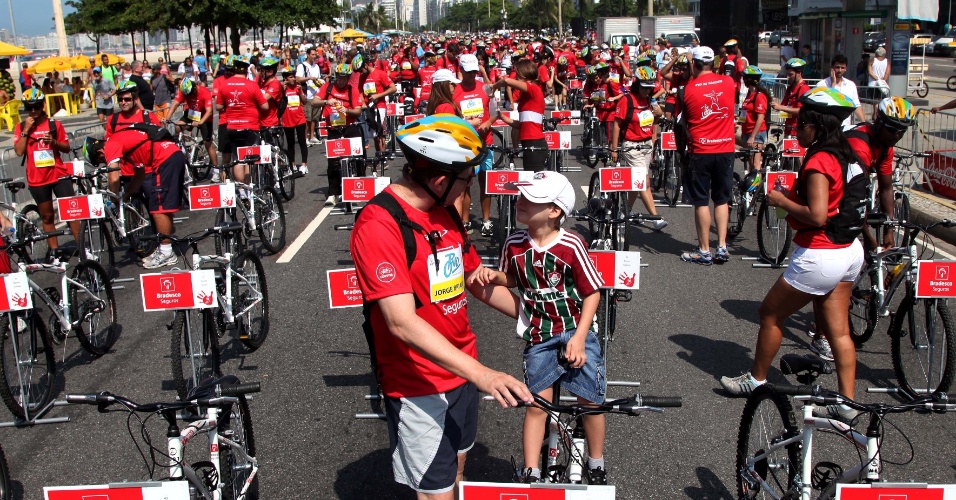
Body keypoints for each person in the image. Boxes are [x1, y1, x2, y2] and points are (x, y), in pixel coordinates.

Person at [349, 114, 532, 499]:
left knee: (458, 468)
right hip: (419, 384)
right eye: (468, 180)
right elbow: (400, 323)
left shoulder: (445, 210)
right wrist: (484, 375)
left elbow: (474, 280)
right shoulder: (379, 224)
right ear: (438, 179)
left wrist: (541, 317)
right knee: (437, 491)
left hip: (460, 368)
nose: (471, 188)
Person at [719, 88, 865, 424]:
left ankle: (755, 381)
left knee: (769, 313)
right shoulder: (849, 152)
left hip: (821, 252)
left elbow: (816, 215)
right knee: (839, 332)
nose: (795, 129)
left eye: (801, 124)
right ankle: (847, 404)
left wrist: (781, 201)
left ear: (817, 125)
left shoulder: (819, 161)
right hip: (849, 250)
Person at [469, 170, 606, 485]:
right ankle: (530, 472)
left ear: (555, 211)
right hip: (539, 336)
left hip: (574, 330)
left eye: (532, 199)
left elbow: (592, 292)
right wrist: (496, 277)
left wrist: (581, 336)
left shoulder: (571, 245)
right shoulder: (515, 244)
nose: (521, 202)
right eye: (521, 196)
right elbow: (514, 279)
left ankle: (596, 462)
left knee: (591, 402)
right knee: (536, 404)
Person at [91, 117, 187, 269]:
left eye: (102, 160)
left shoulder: (110, 144)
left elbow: (114, 177)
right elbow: (140, 175)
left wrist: (112, 198)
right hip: (171, 154)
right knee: (161, 206)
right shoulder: (128, 146)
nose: (105, 162)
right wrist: (126, 194)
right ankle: (164, 247)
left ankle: (167, 252)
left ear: (99, 152)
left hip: (164, 158)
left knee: (159, 208)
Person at [680, 46, 736, 266]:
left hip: (701, 150)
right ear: (713, 63)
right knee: (722, 199)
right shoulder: (728, 83)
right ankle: (721, 246)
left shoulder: (688, 89)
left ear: (694, 64)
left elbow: (684, 122)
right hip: (725, 148)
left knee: (701, 201)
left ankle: (704, 250)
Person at [13, 89, 80, 254]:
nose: (33, 111)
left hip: (58, 174)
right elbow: (19, 152)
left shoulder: (54, 125)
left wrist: (54, 142)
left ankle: (83, 247)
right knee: (47, 216)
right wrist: (25, 131)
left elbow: (66, 148)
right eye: (29, 108)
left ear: (42, 105)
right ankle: (55, 251)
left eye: (36, 106)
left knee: (70, 212)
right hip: (38, 178)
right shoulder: (21, 127)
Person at [609, 66, 668, 231]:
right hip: (631, 146)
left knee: (636, 182)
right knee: (644, 182)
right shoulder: (626, 100)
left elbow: (655, 122)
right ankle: (655, 217)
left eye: (650, 88)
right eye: (644, 87)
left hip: (646, 145)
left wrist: (659, 114)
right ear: (636, 84)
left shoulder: (650, 100)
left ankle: (624, 210)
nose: (647, 91)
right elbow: (617, 125)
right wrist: (614, 149)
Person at [453, 54, 495, 235]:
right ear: (461, 70)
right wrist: (467, 123)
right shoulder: (454, 91)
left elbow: (495, 111)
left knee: (485, 184)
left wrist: (488, 122)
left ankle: (486, 220)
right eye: (468, 72)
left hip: (486, 142)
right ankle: (465, 221)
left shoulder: (484, 87)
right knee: (465, 184)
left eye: (474, 72)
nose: (472, 75)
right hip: (465, 144)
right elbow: (453, 118)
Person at [215, 55, 269, 190]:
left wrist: (232, 105)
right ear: (246, 70)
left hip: (232, 126)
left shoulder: (224, 85)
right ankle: (249, 185)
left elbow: (219, 107)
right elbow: (265, 106)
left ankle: (241, 189)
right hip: (250, 126)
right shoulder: (252, 85)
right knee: (250, 158)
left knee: (237, 158)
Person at [313, 63, 363, 207]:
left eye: (345, 78)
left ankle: (357, 186)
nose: (342, 81)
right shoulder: (328, 87)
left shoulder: (352, 90)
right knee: (333, 162)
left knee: (358, 157)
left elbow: (358, 111)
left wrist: (346, 110)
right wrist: (326, 101)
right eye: (340, 78)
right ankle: (333, 192)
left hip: (349, 127)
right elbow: (314, 102)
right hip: (334, 128)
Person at [493, 59, 549, 172]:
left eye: (517, 74)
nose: (516, 77)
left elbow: (507, 81)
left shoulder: (533, 89)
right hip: (529, 143)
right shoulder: (526, 95)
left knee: (532, 183)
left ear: (524, 74)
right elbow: (522, 125)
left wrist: (493, 87)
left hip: (535, 143)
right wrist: (502, 117)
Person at [168, 79, 217, 177]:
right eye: (187, 95)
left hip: (204, 117)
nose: (189, 97)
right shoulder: (184, 91)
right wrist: (167, 118)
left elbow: (209, 111)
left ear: (195, 87)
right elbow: (175, 104)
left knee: (208, 143)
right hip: (192, 113)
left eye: (191, 94)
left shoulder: (204, 92)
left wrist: (200, 122)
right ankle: (185, 147)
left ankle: (216, 170)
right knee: (178, 126)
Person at [355, 53, 397, 156]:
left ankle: (382, 159)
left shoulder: (380, 74)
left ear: (365, 65)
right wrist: (363, 102)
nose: (360, 72)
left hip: (380, 107)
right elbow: (360, 91)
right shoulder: (362, 77)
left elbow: (393, 88)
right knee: (374, 135)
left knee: (379, 133)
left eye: (361, 70)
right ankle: (378, 155)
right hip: (369, 109)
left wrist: (378, 96)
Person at [816, 54, 866, 128]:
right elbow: (828, 103)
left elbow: (856, 106)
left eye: (842, 68)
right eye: (837, 67)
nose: (840, 70)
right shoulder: (822, 85)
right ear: (832, 68)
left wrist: (864, 124)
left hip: (845, 127)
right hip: (827, 127)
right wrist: (833, 84)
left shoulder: (850, 85)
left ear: (846, 69)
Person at [737, 66, 770, 177]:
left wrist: (752, 136)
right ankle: (752, 187)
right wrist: (741, 127)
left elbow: (760, 118)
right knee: (750, 162)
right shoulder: (748, 95)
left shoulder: (759, 96)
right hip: (747, 131)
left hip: (756, 133)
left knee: (755, 163)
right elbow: (744, 113)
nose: (743, 80)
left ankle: (757, 190)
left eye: (745, 78)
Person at [771, 58, 811, 138]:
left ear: (799, 73)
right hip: (788, 129)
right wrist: (775, 104)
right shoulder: (790, 87)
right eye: (787, 74)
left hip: (797, 132)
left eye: (791, 74)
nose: (788, 77)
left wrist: (780, 107)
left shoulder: (803, 88)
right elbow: (783, 106)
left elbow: (801, 111)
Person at [280, 67, 309, 175]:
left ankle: (304, 164)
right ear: (286, 79)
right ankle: (292, 164)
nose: (293, 79)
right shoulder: (283, 89)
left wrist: (300, 91)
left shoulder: (298, 87)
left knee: (302, 142)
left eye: (294, 77)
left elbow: (305, 101)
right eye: (291, 77)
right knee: (290, 143)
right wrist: (282, 89)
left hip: (299, 118)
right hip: (287, 119)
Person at [296, 47, 324, 146]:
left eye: (315, 55)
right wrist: (309, 78)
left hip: (316, 95)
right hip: (306, 95)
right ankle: (305, 138)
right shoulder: (302, 66)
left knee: (314, 118)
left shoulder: (316, 66)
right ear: (308, 55)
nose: (314, 56)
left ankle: (312, 136)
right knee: (307, 118)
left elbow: (319, 78)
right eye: (312, 54)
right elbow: (298, 78)